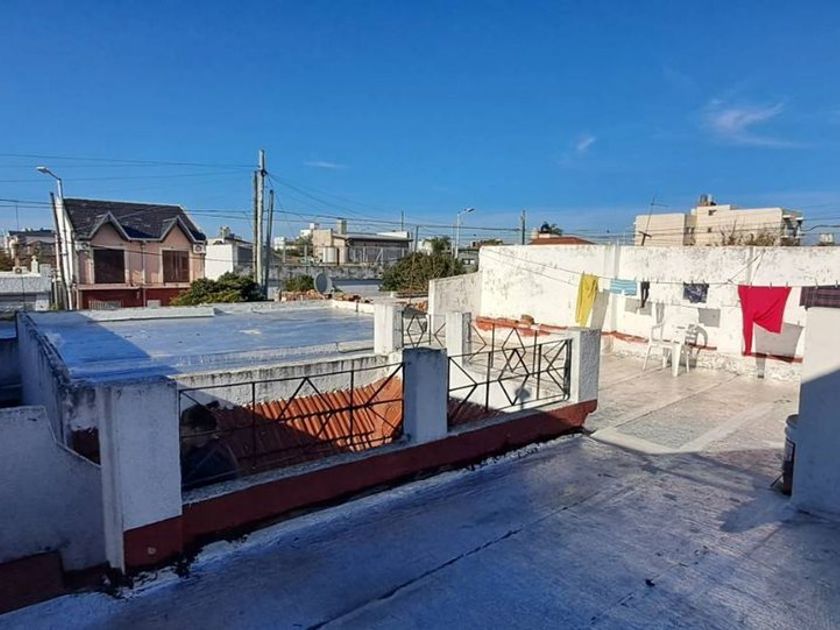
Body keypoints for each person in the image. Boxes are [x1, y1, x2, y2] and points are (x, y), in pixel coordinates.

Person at [180, 402, 238, 489]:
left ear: (197, 430)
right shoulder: (218, 446)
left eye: (182, 429)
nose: (180, 433)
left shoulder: (204, 460)